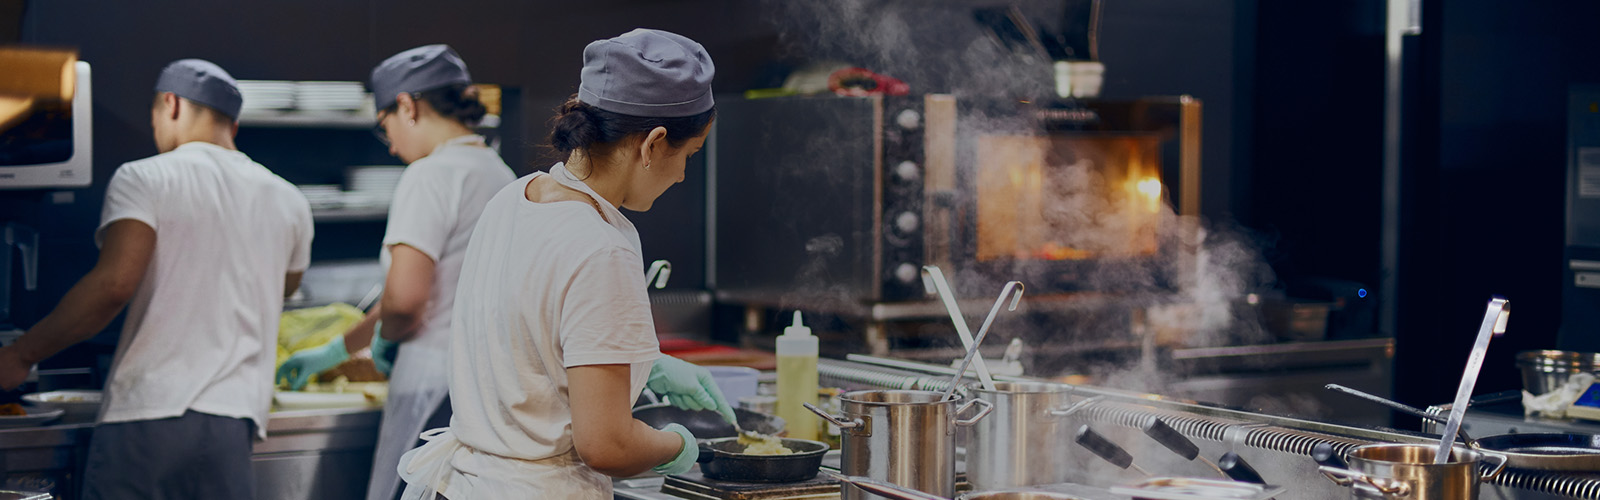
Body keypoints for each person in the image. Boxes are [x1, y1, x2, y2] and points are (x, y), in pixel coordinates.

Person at [393, 29, 730, 499]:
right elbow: (606, 445)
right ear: (652, 144)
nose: (683, 174)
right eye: (689, 154)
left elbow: (528, 338)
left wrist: (642, 363)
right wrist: (676, 445)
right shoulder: (602, 246)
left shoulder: (513, 198)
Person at [0, 59, 313, 499]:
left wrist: (21, 354)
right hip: (233, 423)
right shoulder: (290, 199)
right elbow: (283, 288)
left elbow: (114, 285)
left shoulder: (146, 177)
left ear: (171, 105)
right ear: (233, 125)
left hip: (148, 416)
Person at [273, 44, 515, 500]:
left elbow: (405, 301)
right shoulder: (499, 174)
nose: (390, 143)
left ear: (407, 105)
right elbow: (431, 286)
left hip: (431, 383)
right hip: (485, 383)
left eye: (385, 125)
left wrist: (389, 337)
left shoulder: (429, 175)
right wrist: (340, 347)